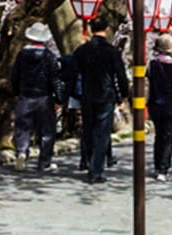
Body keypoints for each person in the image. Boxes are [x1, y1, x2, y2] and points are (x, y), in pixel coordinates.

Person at [70, 17, 131, 184]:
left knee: (88, 129)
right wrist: (123, 95)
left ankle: (88, 161)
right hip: (106, 94)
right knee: (102, 133)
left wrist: (72, 94)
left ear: (90, 29)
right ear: (107, 29)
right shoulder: (112, 51)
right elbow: (120, 76)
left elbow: (73, 74)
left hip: (87, 94)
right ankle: (95, 171)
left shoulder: (82, 51)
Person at [10, 24, 63, 172]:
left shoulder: (22, 55)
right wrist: (59, 99)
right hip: (44, 98)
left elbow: (15, 76)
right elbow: (55, 79)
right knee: (46, 131)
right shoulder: (49, 56)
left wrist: (16, 92)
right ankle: (44, 162)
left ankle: (21, 152)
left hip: (25, 96)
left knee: (23, 128)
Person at [148, 37, 172, 180]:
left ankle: (157, 165)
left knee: (158, 136)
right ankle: (163, 169)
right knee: (168, 137)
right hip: (171, 105)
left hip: (155, 105)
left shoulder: (152, 65)